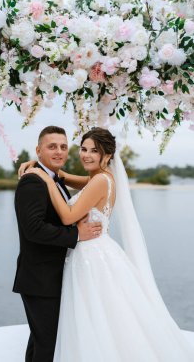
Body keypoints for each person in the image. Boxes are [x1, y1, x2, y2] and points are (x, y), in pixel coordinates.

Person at [21, 127, 194, 361]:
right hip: (98, 251)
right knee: (101, 315)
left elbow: (69, 217)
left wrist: (46, 179)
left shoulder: (100, 180)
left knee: (96, 315)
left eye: (95, 151)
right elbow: (69, 178)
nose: (87, 155)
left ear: (107, 156)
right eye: (83, 149)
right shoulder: (101, 178)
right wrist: (44, 169)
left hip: (90, 255)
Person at [13, 125, 102, 362]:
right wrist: (76, 236)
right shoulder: (33, 182)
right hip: (39, 279)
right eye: (52, 146)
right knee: (48, 345)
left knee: (42, 341)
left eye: (63, 147)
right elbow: (33, 229)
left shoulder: (54, 179)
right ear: (38, 150)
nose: (59, 151)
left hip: (52, 277)